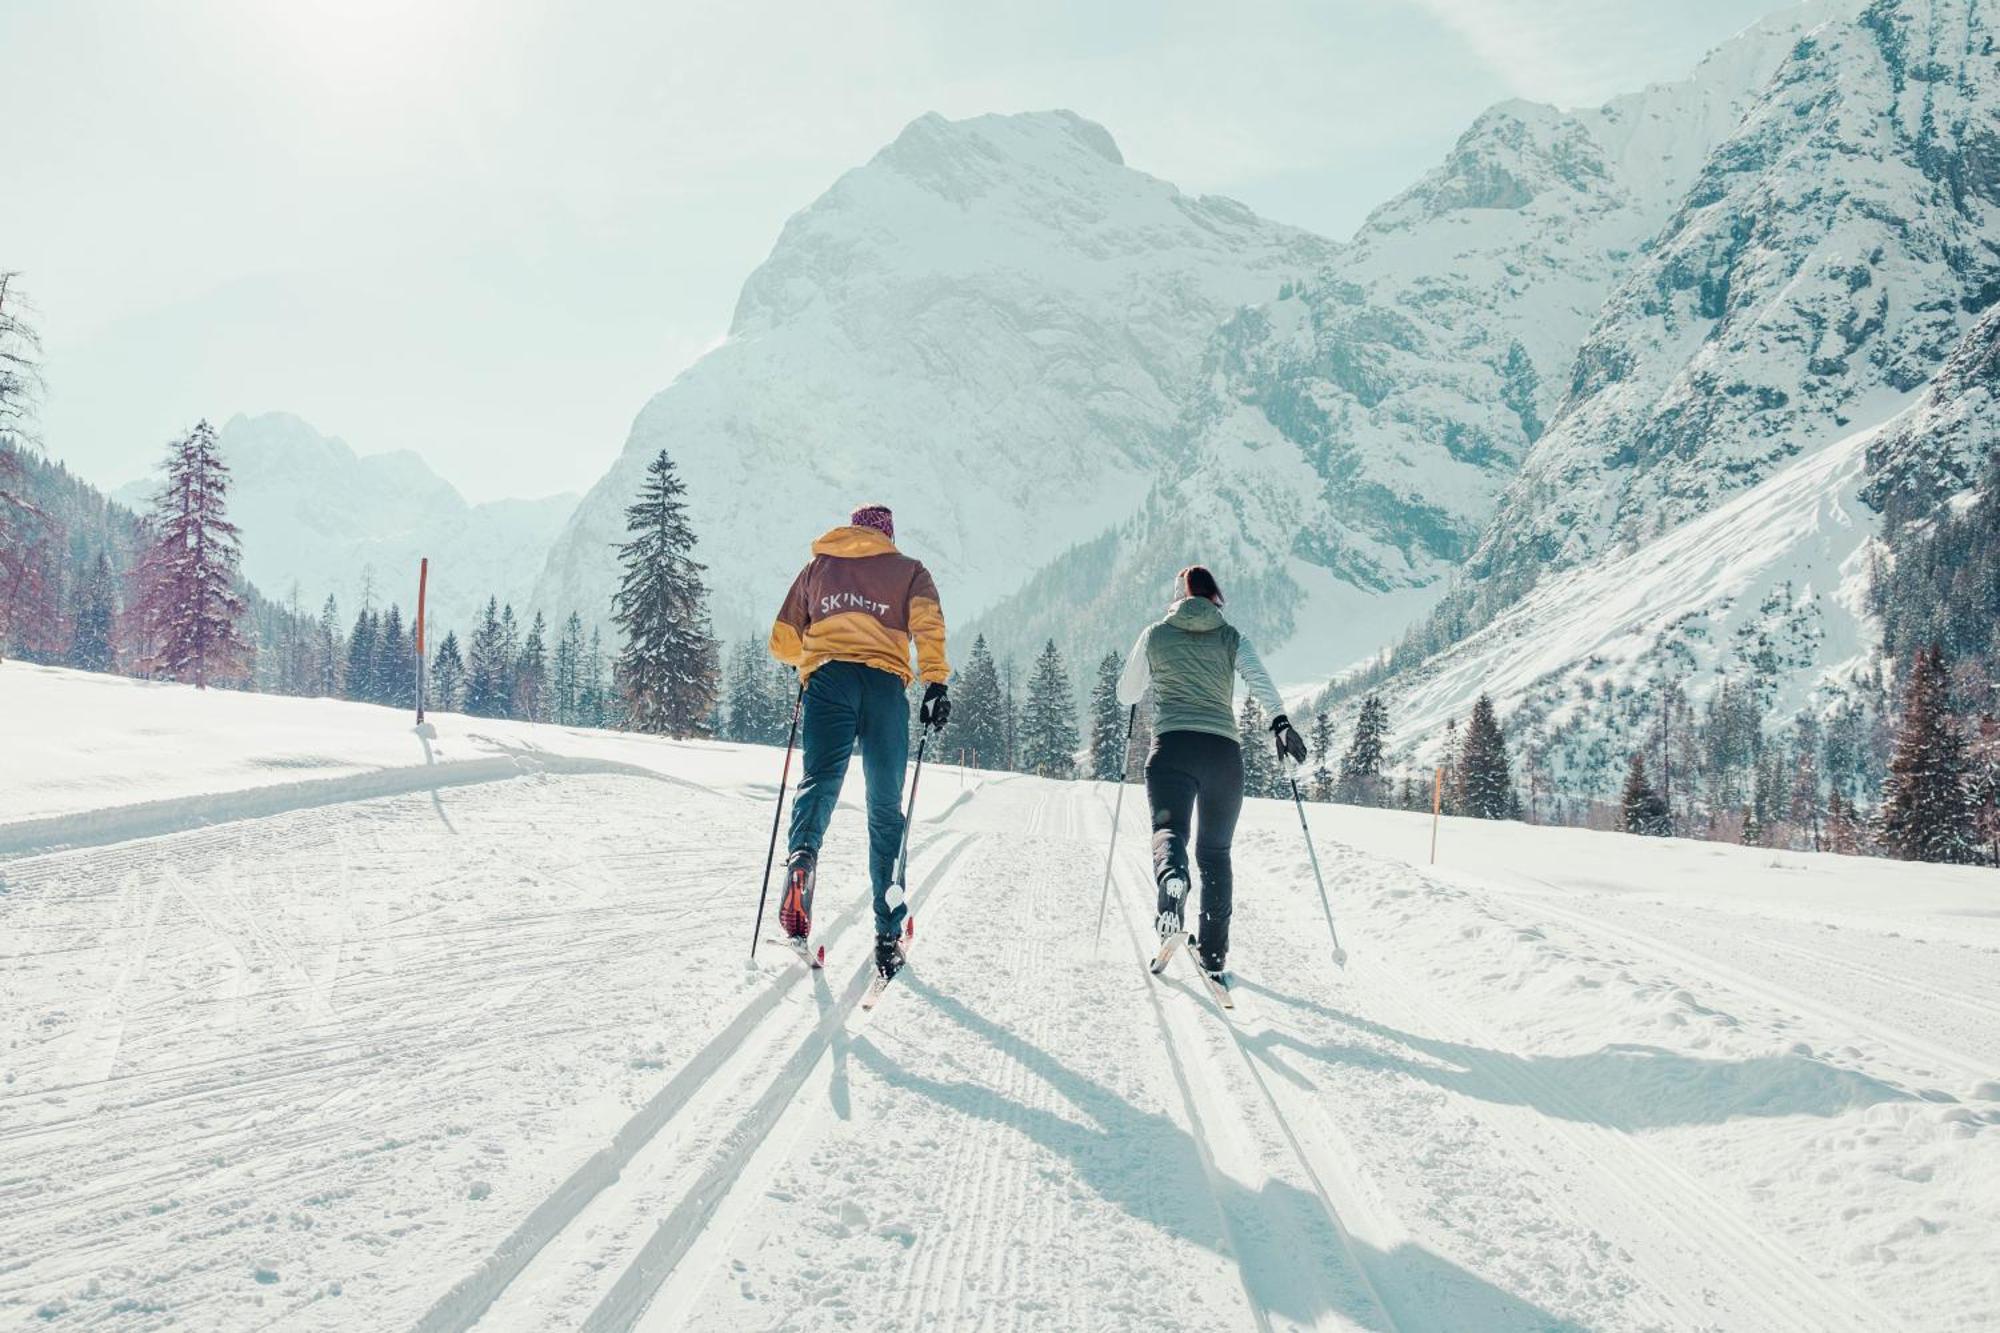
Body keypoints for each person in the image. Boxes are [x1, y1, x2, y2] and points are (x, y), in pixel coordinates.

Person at [769, 504, 951, 980]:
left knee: (820, 781)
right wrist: (935, 683)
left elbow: (784, 640)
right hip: (884, 690)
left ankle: (802, 858)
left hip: (829, 684)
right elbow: (929, 628)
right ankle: (888, 935)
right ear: (888, 534)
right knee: (884, 806)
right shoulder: (910, 572)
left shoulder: (818, 568)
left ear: (852, 528)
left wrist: (805, 658)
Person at [1116, 564, 1306, 983]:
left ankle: (1172, 879)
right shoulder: (1230, 636)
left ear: (1178, 596)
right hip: (1223, 754)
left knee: (1170, 832)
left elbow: (1127, 693)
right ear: (1213, 596)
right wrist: (1280, 724)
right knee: (1216, 853)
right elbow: (1260, 681)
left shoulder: (1155, 634)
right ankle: (1214, 954)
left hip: (1172, 748)